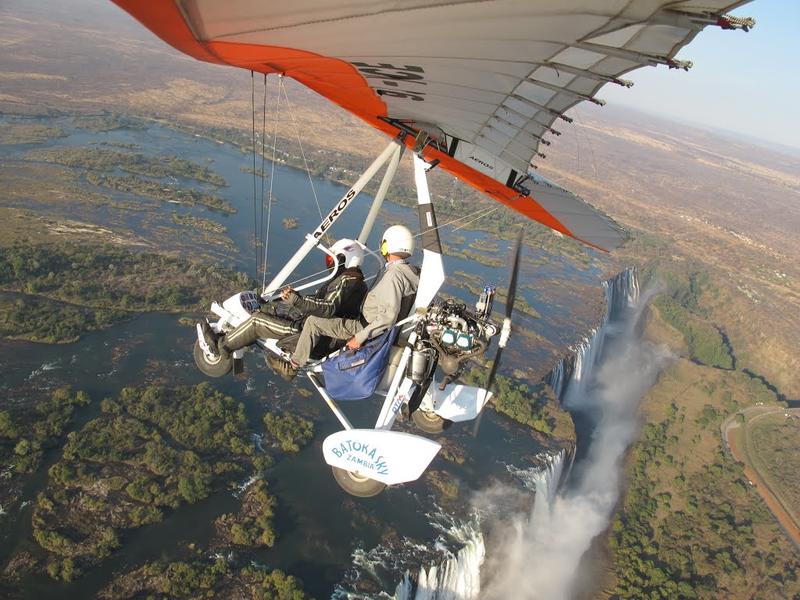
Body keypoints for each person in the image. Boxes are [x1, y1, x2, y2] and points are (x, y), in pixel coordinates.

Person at [271, 224, 419, 380]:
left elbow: (388, 317)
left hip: (362, 326)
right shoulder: (408, 272)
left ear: (386, 246)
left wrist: (360, 337)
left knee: (313, 322)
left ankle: (292, 366)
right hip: (364, 322)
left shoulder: (393, 275)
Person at [200, 239, 368, 362]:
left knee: (257, 321)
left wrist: (297, 300)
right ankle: (235, 337)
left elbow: (328, 308)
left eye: (333, 260)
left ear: (344, 258)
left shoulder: (348, 281)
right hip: (315, 333)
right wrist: (294, 299)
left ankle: (221, 346)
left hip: (309, 336)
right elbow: (325, 306)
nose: (331, 264)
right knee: (268, 310)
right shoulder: (354, 282)